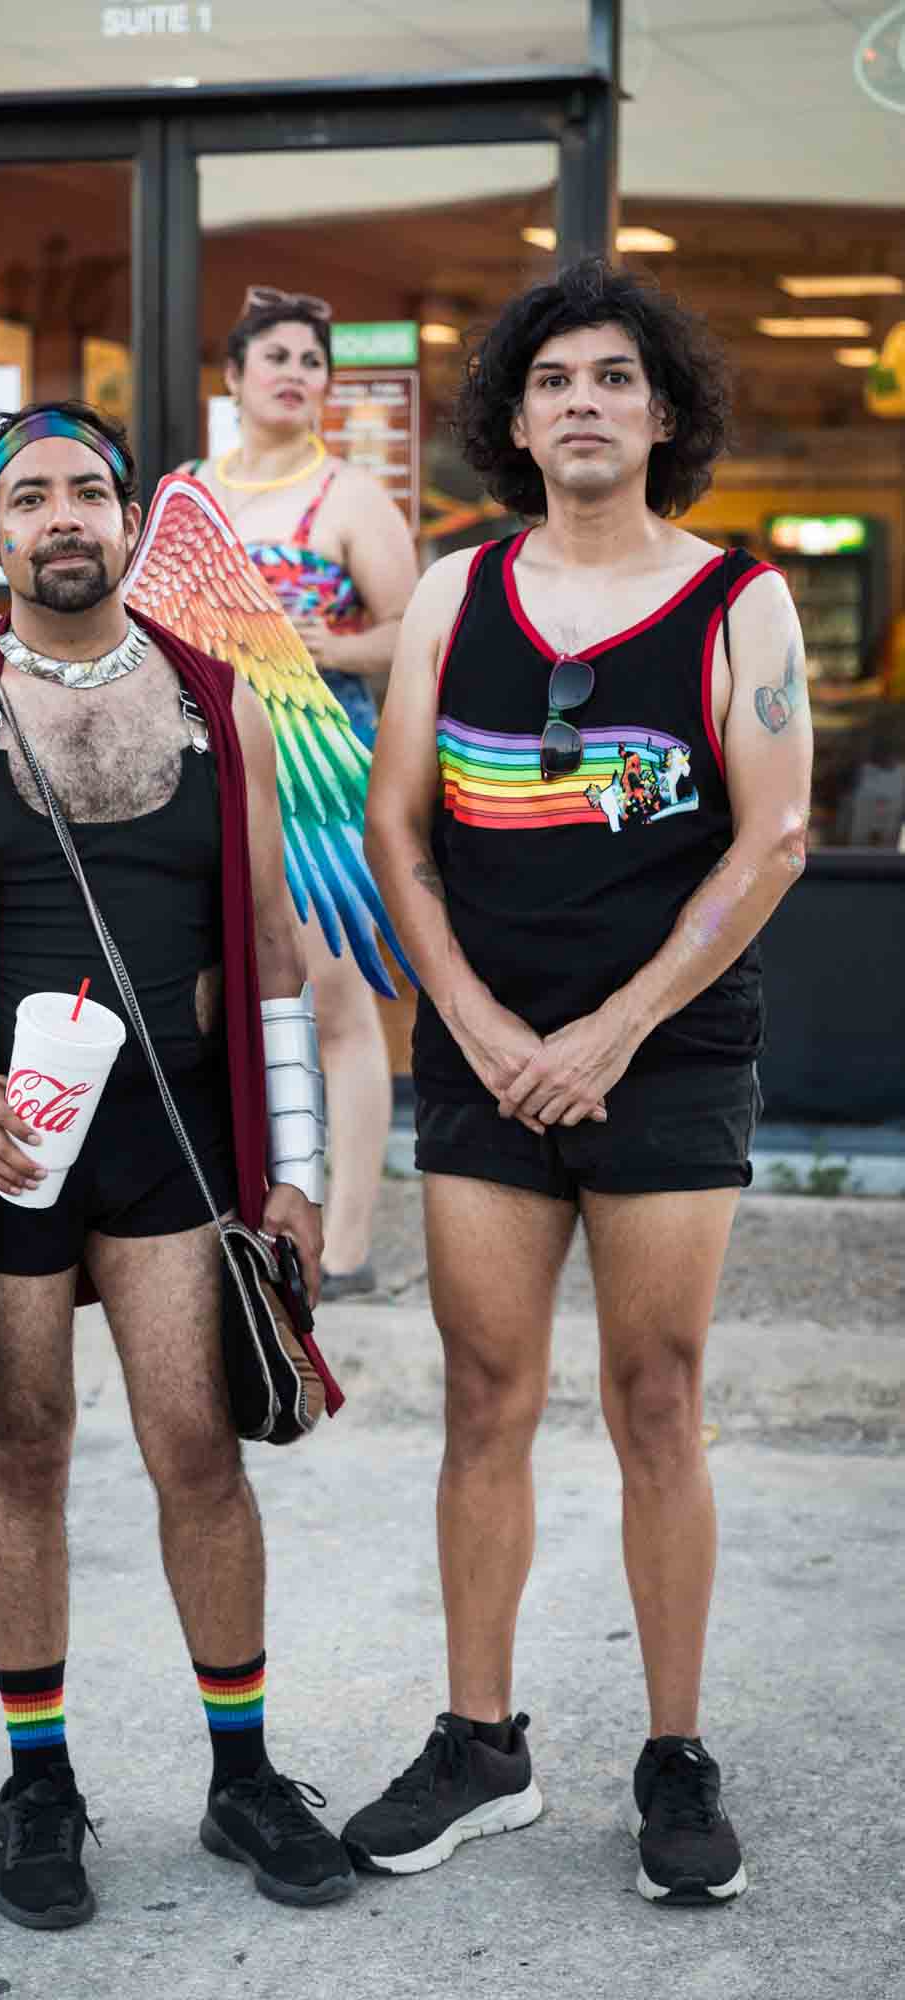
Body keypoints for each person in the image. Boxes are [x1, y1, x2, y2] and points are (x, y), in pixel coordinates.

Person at [0, 399, 356, 1929]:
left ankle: (243, 1776)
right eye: (31, 497)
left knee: (200, 1451)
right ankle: (38, 1782)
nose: (64, 517)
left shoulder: (216, 705)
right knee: (25, 1450)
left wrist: (296, 1174)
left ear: (129, 523)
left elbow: (273, 961)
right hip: (8, 1149)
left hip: (176, 1142)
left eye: (89, 493)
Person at [347, 259, 812, 1906]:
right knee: (480, 1399)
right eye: (553, 382)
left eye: (615, 377)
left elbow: (771, 834)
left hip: (665, 1052)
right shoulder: (454, 598)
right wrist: (469, 1016)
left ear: (662, 409)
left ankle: (672, 1757)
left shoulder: (733, 600)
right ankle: (482, 1743)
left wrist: (610, 1032)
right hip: (483, 1052)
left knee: (652, 1402)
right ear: (515, 420)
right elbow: (396, 826)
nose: (584, 402)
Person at [187, 286, 419, 1299]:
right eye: (273, 355)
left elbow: (415, 630)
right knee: (207, 993)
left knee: (333, 999)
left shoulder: (353, 498)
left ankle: (353, 1242)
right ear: (232, 377)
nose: (294, 371)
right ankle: (218, 1221)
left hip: (320, 773)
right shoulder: (186, 490)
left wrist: (333, 642)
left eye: (311, 359)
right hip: (198, 770)